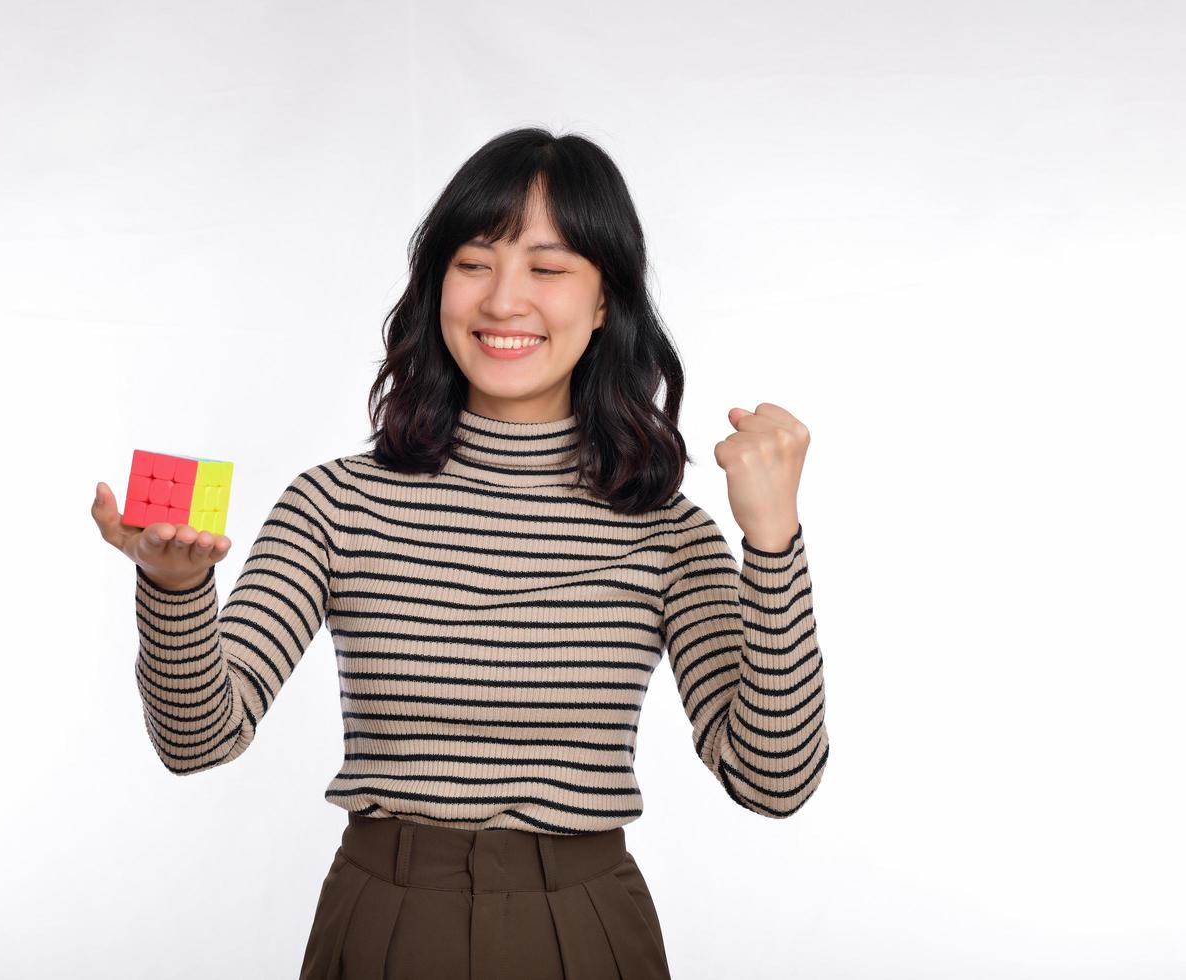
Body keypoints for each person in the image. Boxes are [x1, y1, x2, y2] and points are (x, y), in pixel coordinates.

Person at [91, 127, 828, 980]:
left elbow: (774, 782)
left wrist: (772, 544)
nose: (503, 300)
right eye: (474, 262)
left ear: (603, 304)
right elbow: (199, 741)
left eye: (547, 269)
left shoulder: (665, 532)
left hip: (585, 930)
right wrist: (176, 588)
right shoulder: (336, 502)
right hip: (383, 922)